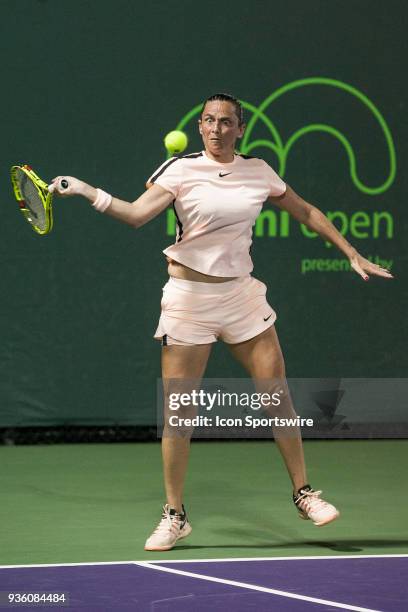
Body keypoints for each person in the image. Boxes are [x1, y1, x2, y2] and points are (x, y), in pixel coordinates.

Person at [49, 93, 393, 552]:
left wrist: (350, 251)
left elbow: (306, 211)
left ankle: (304, 492)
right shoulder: (179, 170)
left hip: (240, 296)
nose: (215, 129)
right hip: (188, 300)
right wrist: (87, 190)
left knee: (277, 397)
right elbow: (135, 215)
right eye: (208, 121)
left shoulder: (259, 171)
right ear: (199, 127)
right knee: (178, 413)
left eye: (225, 122)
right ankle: (175, 515)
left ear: (240, 128)